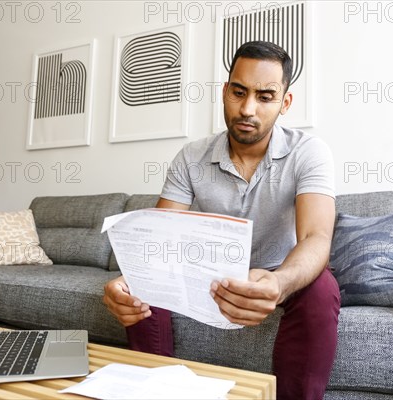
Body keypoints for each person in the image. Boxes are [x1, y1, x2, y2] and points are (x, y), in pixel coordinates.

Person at [103, 41, 340, 399]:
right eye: (239, 92)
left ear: (284, 103)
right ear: (225, 92)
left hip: (278, 272)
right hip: (206, 273)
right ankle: (156, 392)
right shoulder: (191, 156)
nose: (248, 109)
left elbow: (316, 237)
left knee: (322, 287)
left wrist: (279, 283)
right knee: (144, 283)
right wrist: (131, 278)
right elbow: (161, 239)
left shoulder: (309, 152)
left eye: (265, 96)